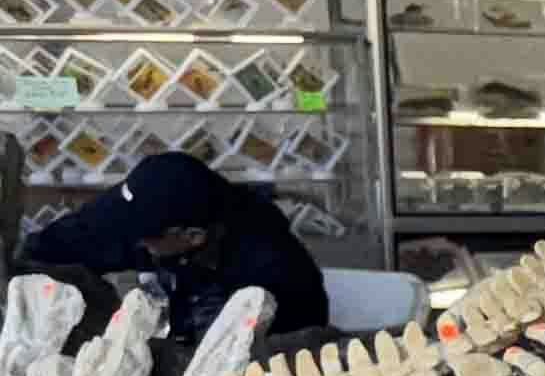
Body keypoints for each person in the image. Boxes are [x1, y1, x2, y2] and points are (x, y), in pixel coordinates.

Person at [19, 151, 328, 335]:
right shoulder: (149, 199)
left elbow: (291, 354)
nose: (132, 239)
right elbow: (60, 243)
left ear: (192, 236)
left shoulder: (271, 267)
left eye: (144, 236)